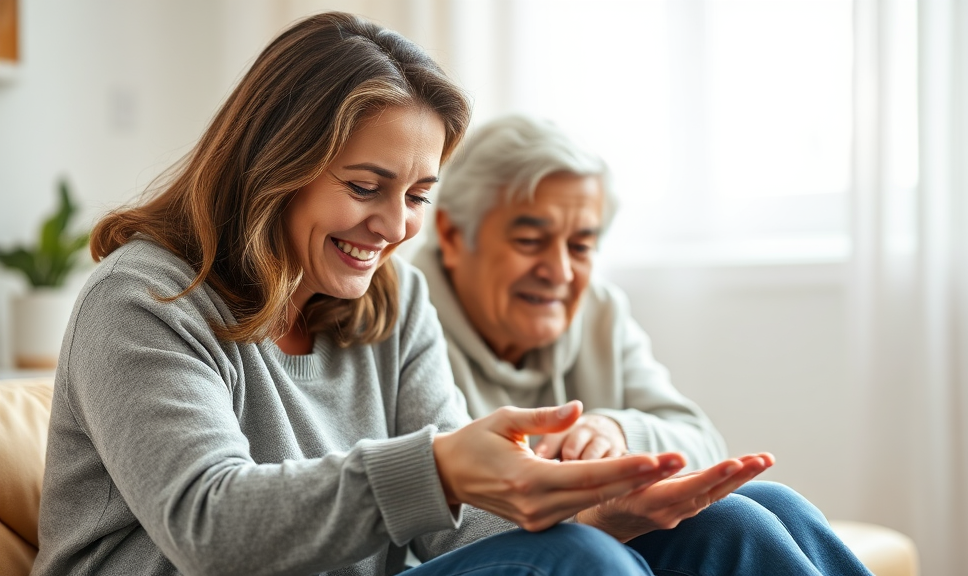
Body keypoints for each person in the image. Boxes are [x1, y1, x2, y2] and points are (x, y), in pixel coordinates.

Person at [30, 12, 776, 576]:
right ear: (272, 164)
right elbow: (208, 526)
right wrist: (444, 467)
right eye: (365, 187)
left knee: (743, 522)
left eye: (417, 194)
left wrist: (601, 509)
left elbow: (447, 533)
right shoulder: (143, 300)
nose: (393, 227)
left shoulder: (393, 300)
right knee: (580, 563)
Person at [412, 113, 874, 574]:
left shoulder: (597, 310)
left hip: (576, 532)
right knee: (733, 520)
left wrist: (619, 432)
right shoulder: (406, 320)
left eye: (581, 246)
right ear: (453, 236)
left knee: (775, 501)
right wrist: (588, 510)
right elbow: (433, 526)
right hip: (497, 554)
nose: (561, 272)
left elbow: (701, 439)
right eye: (531, 240)